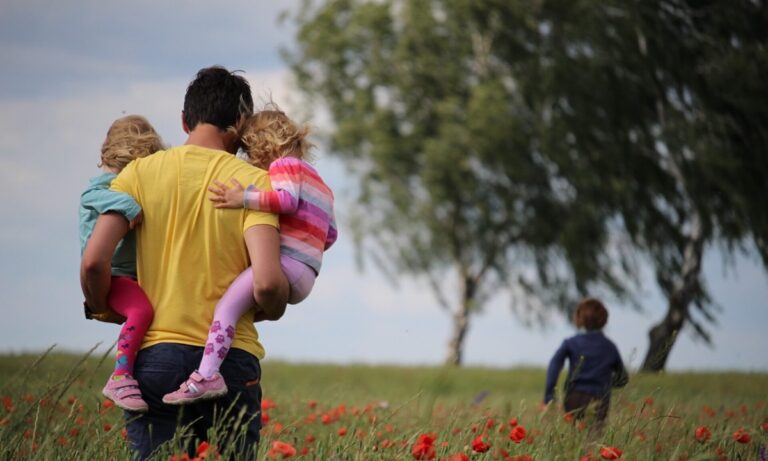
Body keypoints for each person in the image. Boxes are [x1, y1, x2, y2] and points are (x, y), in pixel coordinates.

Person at [81, 66, 289, 460]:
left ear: (183, 120)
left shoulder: (137, 174)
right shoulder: (254, 184)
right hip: (230, 361)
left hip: (155, 356)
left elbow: (94, 262)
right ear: (240, 123)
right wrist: (272, 309)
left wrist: (102, 305)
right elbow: (266, 284)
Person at [162, 107, 338, 405]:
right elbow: (330, 235)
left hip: (286, 265)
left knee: (225, 309)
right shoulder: (321, 184)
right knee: (241, 307)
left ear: (264, 145)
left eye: (248, 151)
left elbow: (285, 200)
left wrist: (241, 198)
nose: (249, 160)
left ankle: (206, 376)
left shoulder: (284, 166)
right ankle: (215, 361)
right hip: (307, 273)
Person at [79, 115, 163, 412]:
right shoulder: (106, 185)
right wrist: (129, 206)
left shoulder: (122, 183)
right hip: (113, 275)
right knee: (141, 310)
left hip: (128, 275)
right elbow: (91, 196)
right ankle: (120, 375)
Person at [543, 297, 628, 428]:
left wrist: (550, 395)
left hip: (574, 397)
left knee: (574, 439)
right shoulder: (610, 347)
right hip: (600, 398)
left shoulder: (571, 343)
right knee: (594, 440)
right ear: (604, 320)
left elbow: (554, 365)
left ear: (579, 318)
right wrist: (606, 383)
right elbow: (623, 378)